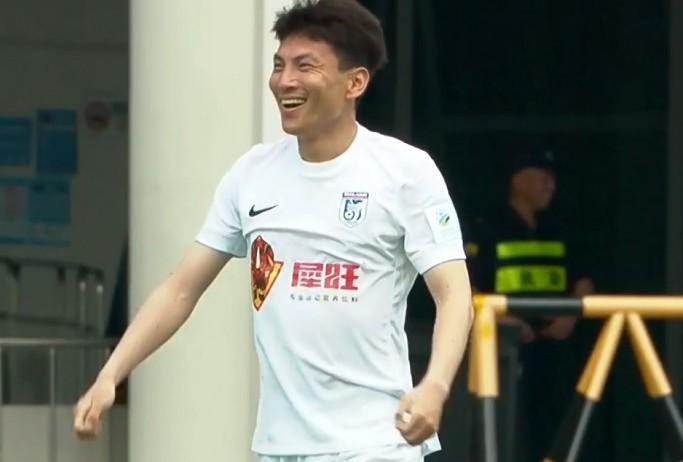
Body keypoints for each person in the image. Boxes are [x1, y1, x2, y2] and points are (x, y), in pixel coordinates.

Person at [72, 1, 474, 461]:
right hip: (277, 447)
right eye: (280, 65)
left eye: (306, 66)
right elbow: (180, 289)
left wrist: (436, 386)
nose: (285, 81)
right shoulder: (252, 173)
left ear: (355, 83)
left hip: (375, 442)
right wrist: (111, 374)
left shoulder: (405, 172)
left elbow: (453, 294)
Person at [467, 144, 594, 461]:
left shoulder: (558, 227)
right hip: (505, 349)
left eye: (553, 178)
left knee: (555, 428)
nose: (550, 184)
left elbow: (583, 280)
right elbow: (465, 287)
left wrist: (570, 317)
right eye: (542, 176)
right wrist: (503, 322)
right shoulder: (487, 227)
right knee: (507, 430)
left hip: (555, 348)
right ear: (517, 180)